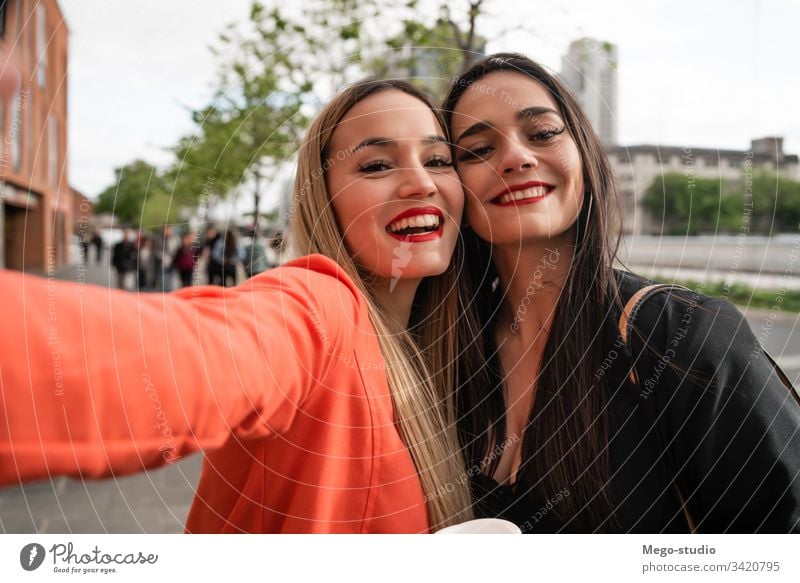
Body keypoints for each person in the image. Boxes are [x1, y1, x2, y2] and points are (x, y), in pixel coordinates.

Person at [0, 79, 472, 533]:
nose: (420, 183)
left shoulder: (461, 349)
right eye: (374, 166)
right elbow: (182, 353)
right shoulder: (317, 310)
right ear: (323, 199)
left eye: (437, 159)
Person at [443, 53, 800, 533]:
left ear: (585, 157)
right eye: (477, 149)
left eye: (543, 133)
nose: (515, 157)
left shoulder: (685, 335)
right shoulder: (449, 357)